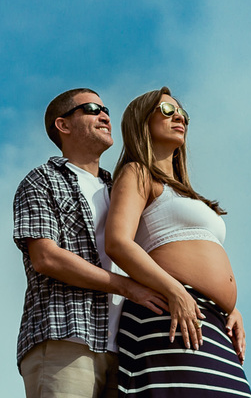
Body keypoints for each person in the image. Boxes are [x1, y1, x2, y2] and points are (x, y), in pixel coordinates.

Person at [14, 88, 169, 398]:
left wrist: (224, 305)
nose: (105, 116)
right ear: (63, 125)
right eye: (92, 109)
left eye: (106, 110)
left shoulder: (121, 188)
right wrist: (128, 288)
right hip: (67, 339)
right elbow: (46, 258)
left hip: (127, 349)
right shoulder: (43, 180)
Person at [104, 87, 251, 396]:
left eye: (182, 113)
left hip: (211, 320)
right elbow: (117, 242)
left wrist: (230, 307)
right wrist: (175, 291)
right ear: (142, 121)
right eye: (168, 111)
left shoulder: (186, 193)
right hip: (169, 312)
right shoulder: (137, 173)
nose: (179, 117)